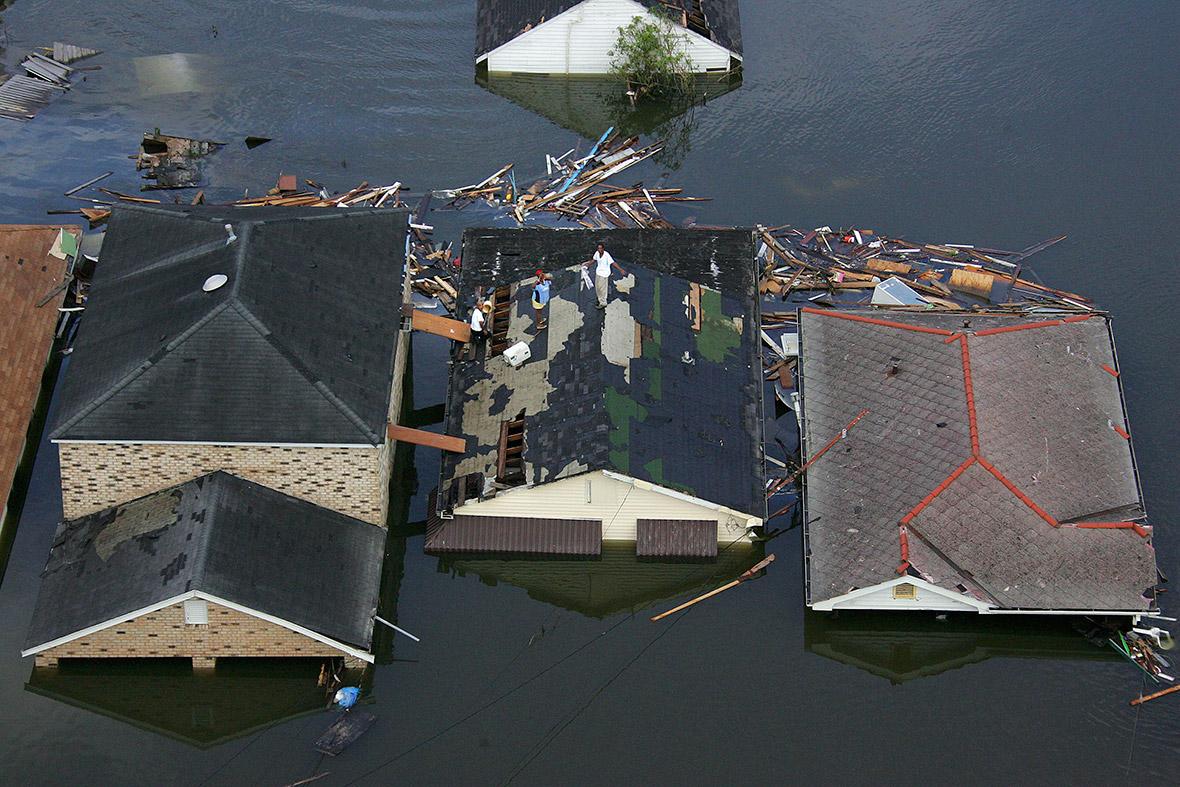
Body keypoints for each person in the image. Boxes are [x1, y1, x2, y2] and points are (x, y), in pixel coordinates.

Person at [585, 243, 626, 308]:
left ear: (603, 249)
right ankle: (599, 299)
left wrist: (620, 269)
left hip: (604, 274)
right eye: (598, 248)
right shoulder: (597, 253)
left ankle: (603, 302)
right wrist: (588, 264)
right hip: (598, 272)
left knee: (603, 289)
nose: (599, 250)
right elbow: (594, 260)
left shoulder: (606, 255)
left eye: (601, 248)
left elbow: (613, 262)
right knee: (598, 287)